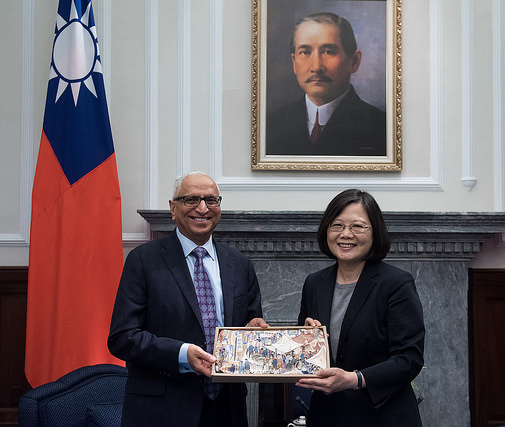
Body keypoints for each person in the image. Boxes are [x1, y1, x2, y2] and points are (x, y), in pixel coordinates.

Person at [108, 172, 268, 427]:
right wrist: (182, 354)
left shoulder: (240, 265)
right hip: (162, 410)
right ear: (173, 208)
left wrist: (253, 332)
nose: (202, 208)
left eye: (211, 200)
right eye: (191, 199)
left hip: (227, 409)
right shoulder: (143, 260)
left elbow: (249, 322)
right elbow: (122, 337)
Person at [295, 189, 425, 426]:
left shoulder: (396, 284)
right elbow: (303, 358)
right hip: (327, 415)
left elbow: (409, 359)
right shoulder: (315, 283)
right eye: (337, 225)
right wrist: (305, 338)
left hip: (383, 415)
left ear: (375, 232)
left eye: (357, 226)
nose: (346, 234)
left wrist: (354, 379)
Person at [266, 12, 387, 157]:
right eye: (305, 52)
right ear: (294, 63)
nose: (316, 67)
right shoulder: (270, 125)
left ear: (354, 61)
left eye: (328, 52)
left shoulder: (381, 127)